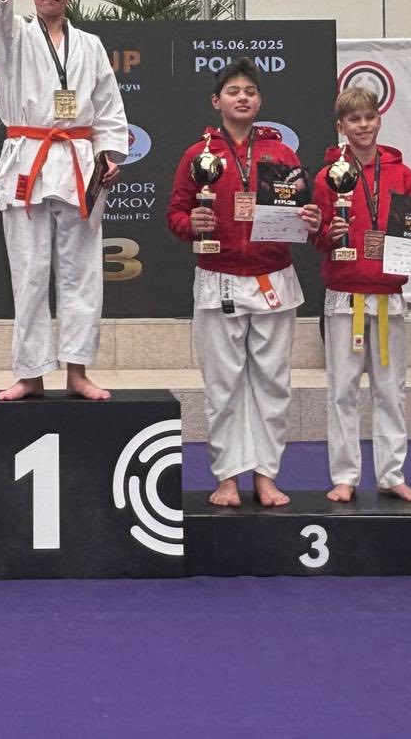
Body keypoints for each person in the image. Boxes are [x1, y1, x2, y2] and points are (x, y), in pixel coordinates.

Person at [0, 0, 127, 401]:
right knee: (28, 271)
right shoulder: (14, 34)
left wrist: (109, 155)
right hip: (29, 158)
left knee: (81, 273)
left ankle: (78, 371)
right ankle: (29, 373)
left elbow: (108, 107)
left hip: (79, 164)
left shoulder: (91, 45)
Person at [166, 59, 319, 507]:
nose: (243, 97)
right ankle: (228, 478)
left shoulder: (282, 155)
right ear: (217, 101)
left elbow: (305, 216)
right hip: (219, 278)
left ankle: (266, 476)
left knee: (273, 384)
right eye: (233, 91)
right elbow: (176, 213)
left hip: (273, 277)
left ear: (260, 100)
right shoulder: (198, 156)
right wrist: (191, 224)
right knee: (223, 386)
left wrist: (311, 217)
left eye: (250, 91)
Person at [313, 87, 411, 504]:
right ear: (341, 126)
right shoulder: (326, 177)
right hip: (345, 294)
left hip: (389, 294)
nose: (363, 126)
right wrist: (328, 233)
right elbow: (316, 236)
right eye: (354, 119)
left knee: (391, 390)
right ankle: (344, 476)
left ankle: (392, 474)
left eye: (369, 117)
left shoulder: (401, 173)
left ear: (379, 119)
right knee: (342, 391)